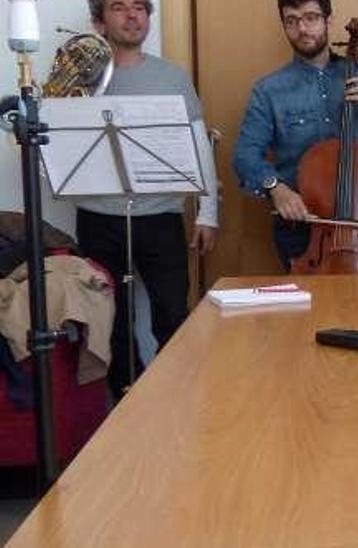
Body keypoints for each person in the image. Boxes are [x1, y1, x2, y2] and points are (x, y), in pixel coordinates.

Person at [77, 0, 220, 398]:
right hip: (97, 216)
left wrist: (208, 212)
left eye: (140, 7)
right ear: (98, 21)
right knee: (110, 322)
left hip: (160, 216)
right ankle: (126, 402)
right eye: (119, 7)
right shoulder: (80, 80)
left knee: (173, 314)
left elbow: (198, 146)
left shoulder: (172, 76)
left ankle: (178, 398)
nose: (132, 15)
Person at [233, 0, 358, 269]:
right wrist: (275, 188)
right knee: (309, 309)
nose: (302, 28)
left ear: (328, 21)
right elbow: (244, 156)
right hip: (303, 229)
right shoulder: (268, 90)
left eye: (310, 17)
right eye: (291, 20)